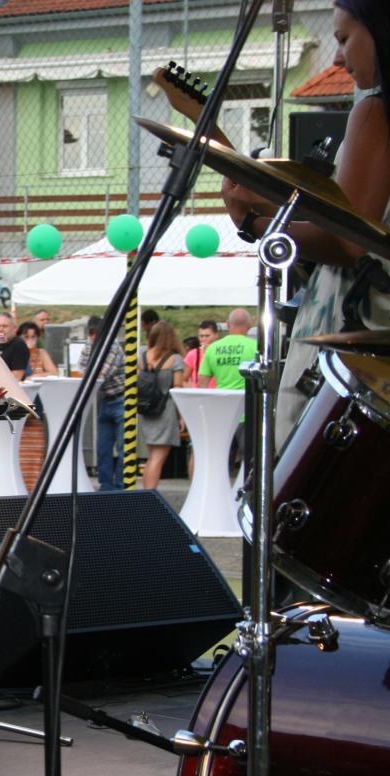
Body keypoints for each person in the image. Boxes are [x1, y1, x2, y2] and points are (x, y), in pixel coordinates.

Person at [219, 2, 390, 446]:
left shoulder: (375, 112)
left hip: (353, 347)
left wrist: (254, 224)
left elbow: (347, 242)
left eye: (344, 38)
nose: (338, 58)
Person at [77, 315, 127, 490]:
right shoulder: (90, 345)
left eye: (96, 333)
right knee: (103, 447)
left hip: (121, 399)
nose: (93, 337)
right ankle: (105, 486)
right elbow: (81, 367)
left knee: (123, 447)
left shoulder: (113, 347)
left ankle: (120, 487)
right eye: (90, 333)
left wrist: (88, 371)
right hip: (106, 399)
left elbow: (101, 374)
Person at [139, 321, 188, 490]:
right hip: (165, 410)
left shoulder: (142, 356)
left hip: (146, 409)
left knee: (151, 456)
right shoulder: (175, 360)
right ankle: (150, 494)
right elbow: (177, 388)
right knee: (158, 458)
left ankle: (146, 493)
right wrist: (181, 416)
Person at [198, 309, 257, 392]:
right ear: (249, 325)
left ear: (228, 324)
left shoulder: (212, 348)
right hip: (247, 397)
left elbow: (202, 383)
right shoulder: (256, 347)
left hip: (220, 398)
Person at [0, 311, 30, 379]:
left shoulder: (18, 345)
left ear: (14, 328)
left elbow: (16, 377)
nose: (1, 329)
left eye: (5, 326)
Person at [185, 320, 220, 387]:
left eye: (207, 336)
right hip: (199, 392)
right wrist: (192, 388)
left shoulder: (221, 352)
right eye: (201, 336)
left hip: (218, 391)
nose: (204, 339)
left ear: (216, 335)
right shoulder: (193, 354)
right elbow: (183, 379)